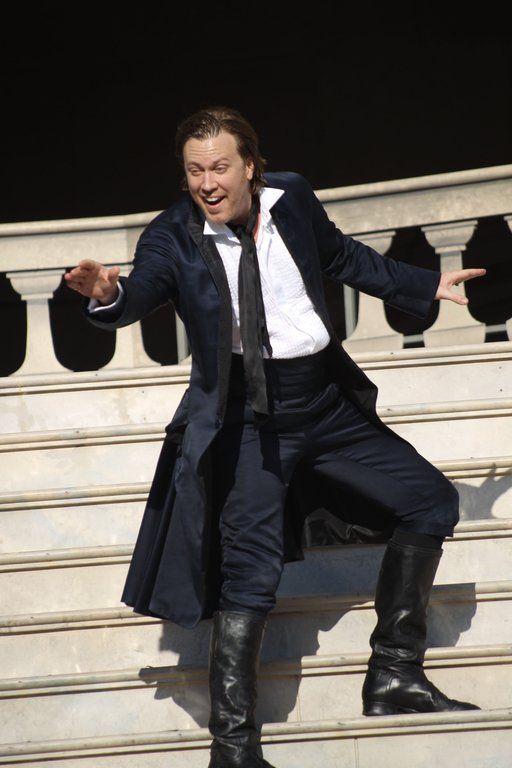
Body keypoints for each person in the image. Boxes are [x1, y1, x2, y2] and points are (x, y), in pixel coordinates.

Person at [65, 105, 486, 768]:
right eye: (194, 171)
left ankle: (394, 674)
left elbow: (340, 255)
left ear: (250, 166)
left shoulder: (291, 198)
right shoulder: (172, 236)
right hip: (248, 418)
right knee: (251, 572)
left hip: (323, 405)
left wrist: (425, 283)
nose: (207, 182)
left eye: (219, 167)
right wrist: (105, 296)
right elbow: (137, 293)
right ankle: (233, 746)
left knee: (430, 500)